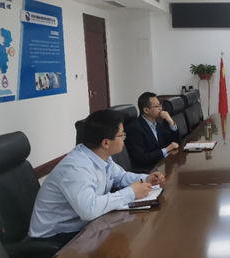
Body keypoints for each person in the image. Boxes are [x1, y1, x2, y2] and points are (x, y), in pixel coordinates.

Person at [29, 109, 166, 243]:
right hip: (55, 236)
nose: (125, 139)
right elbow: (89, 210)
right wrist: (131, 193)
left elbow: (120, 177)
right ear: (105, 143)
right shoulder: (77, 168)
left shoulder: (101, 156)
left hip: (84, 224)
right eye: (121, 135)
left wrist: (146, 179)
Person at [125, 92, 180, 172]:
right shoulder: (134, 128)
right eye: (157, 106)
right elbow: (142, 158)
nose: (160, 108)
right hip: (148, 170)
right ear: (146, 110)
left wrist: (170, 121)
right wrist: (167, 149)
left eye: (160, 105)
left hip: (161, 165)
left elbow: (175, 142)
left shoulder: (157, 124)